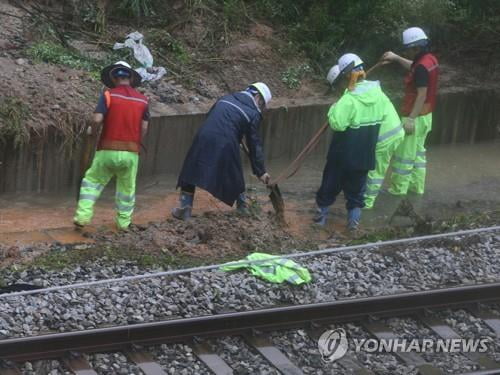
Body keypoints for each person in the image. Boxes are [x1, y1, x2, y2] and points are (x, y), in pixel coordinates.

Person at [315, 53, 396, 230]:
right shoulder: (378, 94)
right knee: (356, 195)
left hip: (341, 157)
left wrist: (335, 107)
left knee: (328, 189)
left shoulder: (349, 99)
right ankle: (353, 227)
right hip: (364, 156)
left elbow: (337, 123)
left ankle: (319, 223)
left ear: (346, 76)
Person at [172, 83, 272, 220]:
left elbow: (212, 117)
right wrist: (261, 171)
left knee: (191, 170)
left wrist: (235, 136)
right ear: (257, 97)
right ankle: (242, 209)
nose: (260, 107)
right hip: (227, 142)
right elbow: (254, 144)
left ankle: (185, 208)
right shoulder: (253, 113)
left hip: (204, 135)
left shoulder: (225, 98)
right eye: (261, 103)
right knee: (235, 174)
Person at [74, 61, 149, 230]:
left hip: (107, 150)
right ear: (130, 78)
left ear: (114, 79)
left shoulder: (108, 95)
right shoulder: (143, 100)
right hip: (131, 153)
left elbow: (97, 119)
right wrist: (136, 142)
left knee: (92, 182)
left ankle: (82, 217)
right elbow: (144, 127)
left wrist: (92, 132)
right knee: (127, 189)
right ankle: (123, 223)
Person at [381, 27, 439, 195]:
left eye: (409, 49)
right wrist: (397, 58)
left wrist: (410, 119)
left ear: (415, 47)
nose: (409, 52)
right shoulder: (430, 60)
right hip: (427, 116)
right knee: (418, 156)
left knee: (403, 158)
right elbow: (414, 67)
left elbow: (421, 94)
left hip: (416, 117)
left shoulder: (421, 67)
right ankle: (416, 188)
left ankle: (397, 191)